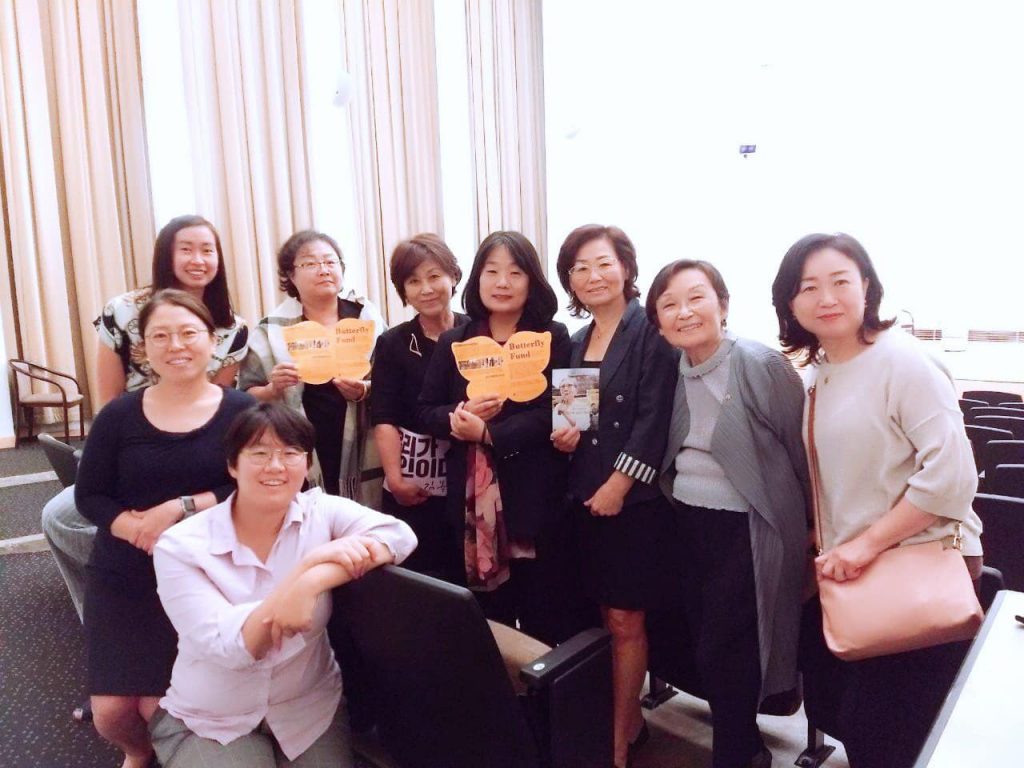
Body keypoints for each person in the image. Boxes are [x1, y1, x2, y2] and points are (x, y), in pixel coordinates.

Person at [771, 232, 983, 768]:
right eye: (808, 287)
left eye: (840, 281)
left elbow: (953, 477)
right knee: (852, 720)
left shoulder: (904, 362)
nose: (826, 298)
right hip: (854, 574)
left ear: (866, 286)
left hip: (913, 567)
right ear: (790, 303)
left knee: (889, 732)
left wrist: (866, 544)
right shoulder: (820, 372)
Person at [150, 402, 417, 768]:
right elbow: (232, 649)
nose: (276, 466)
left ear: (306, 465)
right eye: (259, 453)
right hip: (213, 717)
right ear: (232, 465)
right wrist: (302, 571)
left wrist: (314, 580)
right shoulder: (181, 545)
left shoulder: (320, 511)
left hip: (307, 708)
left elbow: (398, 535)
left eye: (291, 453)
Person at [75, 290, 256, 768]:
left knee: (158, 706)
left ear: (212, 341)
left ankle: (167, 750)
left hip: (204, 571)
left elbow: (259, 486)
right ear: (144, 349)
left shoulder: (241, 412)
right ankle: (138, 752)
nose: (176, 345)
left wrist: (180, 508)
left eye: (188, 333)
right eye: (161, 336)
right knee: (111, 714)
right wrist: (134, 528)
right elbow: (89, 494)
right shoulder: (118, 415)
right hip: (125, 570)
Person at [42, 215, 248, 621]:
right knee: (58, 517)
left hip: (198, 447)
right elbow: (109, 399)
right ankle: (103, 598)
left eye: (207, 250)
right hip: (131, 441)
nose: (198, 259)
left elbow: (221, 402)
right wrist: (134, 530)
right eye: (186, 249)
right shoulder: (123, 311)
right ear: (165, 255)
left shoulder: (233, 327)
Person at [648, 259, 809, 768]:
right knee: (707, 644)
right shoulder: (672, 368)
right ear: (657, 322)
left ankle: (735, 755)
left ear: (723, 304)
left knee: (729, 648)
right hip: (688, 524)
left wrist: (810, 527)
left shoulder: (760, 364)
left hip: (749, 527)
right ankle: (746, 744)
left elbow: (800, 450)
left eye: (696, 297)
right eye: (669, 304)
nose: (684, 312)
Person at [551, 225, 677, 768]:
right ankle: (629, 720)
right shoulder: (577, 340)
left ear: (625, 267)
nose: (593, 276)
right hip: (584, 496)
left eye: (603, 263)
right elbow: (575, 420)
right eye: (579, 268)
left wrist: (619, 485)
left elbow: (655, 418)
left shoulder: (650, 331)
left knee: (626, 619)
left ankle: (621, 738)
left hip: (632, 502)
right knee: (603, 615)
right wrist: (565, 434)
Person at [417, 231, 573, 644]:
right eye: (492, 271)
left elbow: (557, 410)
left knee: (543, 615)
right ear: (477, 279)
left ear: (532, 281)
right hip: (473, 502)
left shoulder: (552, 336)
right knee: (490, 623)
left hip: (536, 498)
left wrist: (490, 433)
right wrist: (457, 417)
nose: (503, 282)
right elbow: (426, 409)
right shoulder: (455, 341)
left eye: (515, 272)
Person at [240, 230, 385, 503]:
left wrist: (364, 390)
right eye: (310, 263)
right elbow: (244, 395)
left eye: (330, 262)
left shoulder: (367, 318)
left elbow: (394, 383)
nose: (323, 270)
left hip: (362, 438)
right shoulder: (271, 330)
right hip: (299, 439)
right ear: (291, 275)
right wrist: (273, 389)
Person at [370, 234, 470, 583]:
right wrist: (395, 480)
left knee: (470, 573)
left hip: (467, 478)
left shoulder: (477, 332)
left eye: (434, 276)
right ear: (403, 290)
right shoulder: (393, 342)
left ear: (453, 276)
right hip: (415, 481)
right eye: (413, 281)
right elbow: (383, 416)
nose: (426, 289)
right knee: (422, 579)